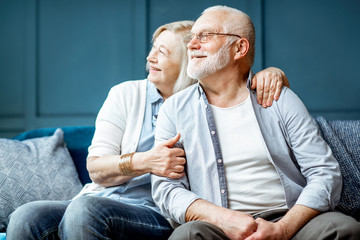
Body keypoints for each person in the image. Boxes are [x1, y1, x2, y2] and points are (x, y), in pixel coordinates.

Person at [6, 20, 288, 239]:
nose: (150, 59)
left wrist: (273, 73)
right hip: (97, 198)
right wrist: (146, 161)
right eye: (152, 49)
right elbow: (96, 169)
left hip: (158, 213)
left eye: (162, 53)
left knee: (85, 212)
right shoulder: (125, 94)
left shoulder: (209, 101)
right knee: (27, 216)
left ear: (190, 63)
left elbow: (245, 89)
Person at [152, 6, 360, 240]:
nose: (191, 44)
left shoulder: (279, 99)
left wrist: (283, 229)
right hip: (216, 225)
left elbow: (324, 173)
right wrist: (222, 218)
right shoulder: (174, 110)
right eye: (192, 38)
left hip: (289, 219)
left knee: (343, 228)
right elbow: (166, 189)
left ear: (239, 48)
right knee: (187, 236)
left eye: (205, 36)